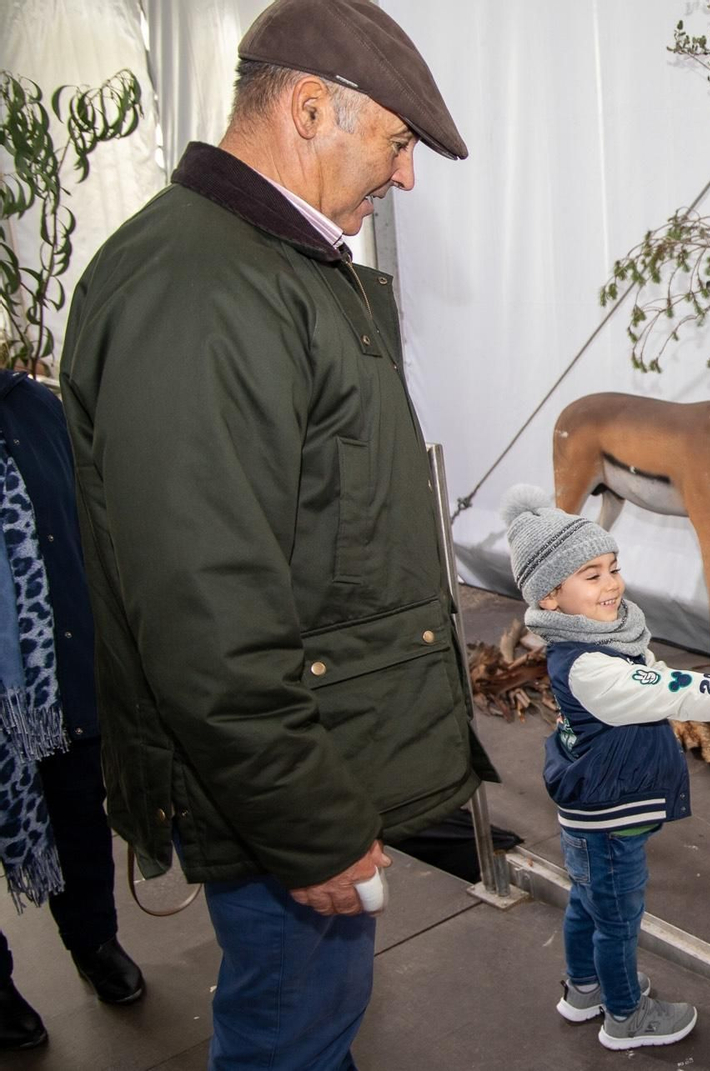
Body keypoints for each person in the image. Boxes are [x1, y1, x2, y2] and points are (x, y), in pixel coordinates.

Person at [58, 1, 495, 1066]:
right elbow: (206, 609)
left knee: (310, 1024)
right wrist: (305, 819)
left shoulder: (270, 265)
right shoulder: (203, 290)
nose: (405, 177)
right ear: (309, 108)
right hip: (278, 791)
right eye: (396, 143)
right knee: (290, 1035)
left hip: (314, 757)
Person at [500, 485, 710, 1051]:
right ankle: (625, 1017)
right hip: (608, 817)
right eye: (591, 575)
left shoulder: (598, 640)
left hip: (590, 809)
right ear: (549, 598)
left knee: (587, 902)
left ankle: (584, 991)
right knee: (617, 919)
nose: (612, 583)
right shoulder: (591, 667)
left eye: (612, 567)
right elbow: (674, 689)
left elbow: (653, 672)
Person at [0, 372, 143, 1051]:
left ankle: (95, 941)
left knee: (80, 818)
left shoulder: (36, 404)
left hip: (59, 672)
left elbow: (87, 525)